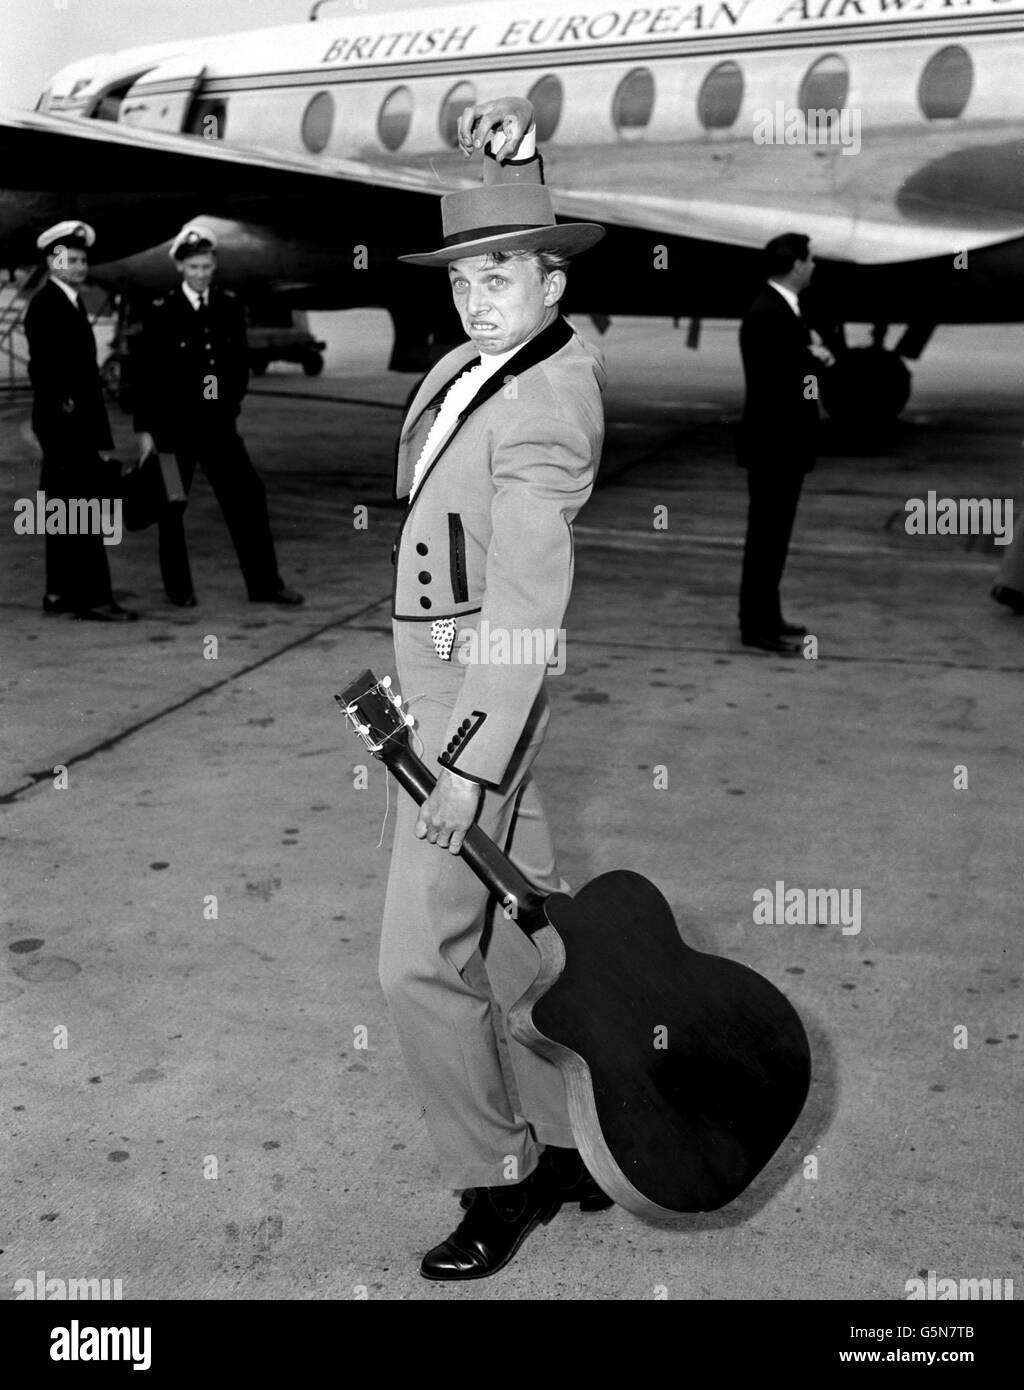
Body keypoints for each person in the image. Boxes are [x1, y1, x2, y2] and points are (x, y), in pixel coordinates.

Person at [378, 95, 608, 1281]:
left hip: (478, 701)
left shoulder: (543, 403)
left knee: (417, 961)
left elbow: (525, 605)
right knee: (541, 932)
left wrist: (465, 760)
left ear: (552, 284)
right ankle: (614, 1124)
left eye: (503, 270)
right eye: (464, 273)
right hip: (437, 678)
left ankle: (503, 1177)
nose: (475, 295)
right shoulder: (482, 358)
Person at [131, 225, 302, 608]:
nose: (201, 273)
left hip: (217, 429)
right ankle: (179, 590)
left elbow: (238, 364)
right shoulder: (160, 311)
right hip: (171, 432)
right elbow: (145, 373)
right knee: (171, 505)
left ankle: (266, 586)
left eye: (207, 266)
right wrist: (144, 430)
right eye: (194, 267)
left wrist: (229, 406)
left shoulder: (227, 305)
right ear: (180, 267)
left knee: (248, 498)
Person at [25, 221, 138, 622]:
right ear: (51, 261)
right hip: (66, 424)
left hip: (63, 423)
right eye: (69, 258)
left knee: (62, 509)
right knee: (85, 510)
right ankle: (93, 598)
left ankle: (59, 593)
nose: (77, 265)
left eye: (82, 259)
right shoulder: (48, 304)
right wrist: (68, 409)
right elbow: (47, 369)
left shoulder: (66, 302)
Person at [737, 232, 831, 652]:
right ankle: (758, 630)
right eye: (810, 260)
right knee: (766, 540)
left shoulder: (780, 309)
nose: (813, 266)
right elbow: (785, 381)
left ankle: (768, 618)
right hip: (776, 446)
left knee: (772, 540)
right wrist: (817, 360)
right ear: (796, 265)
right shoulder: (768, 314)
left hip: (780, 445)